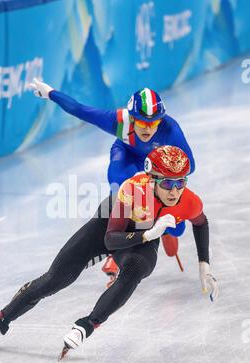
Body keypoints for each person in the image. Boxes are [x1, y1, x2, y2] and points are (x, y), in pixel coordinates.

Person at [0, 146, 218, 358]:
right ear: (152, 180)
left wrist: (204, 265)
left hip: (142, 241)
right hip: (108, 227)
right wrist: (148, 234)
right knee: (56, 278)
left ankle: (86, 325)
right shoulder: (132, 190)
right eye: (167, 183)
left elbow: (201, 223)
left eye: (181, 182)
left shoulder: (189, 200)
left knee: (136, 270)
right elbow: (111, 238)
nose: (175, 190)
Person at [30, 79, 195, 278]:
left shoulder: (170, 130)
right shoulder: (119, 122)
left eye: (154, 122)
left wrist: (157, 178)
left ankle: (165, 228)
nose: (148, 128)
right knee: (119, 185)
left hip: (159, 166)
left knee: (178, 229)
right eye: (142, 122)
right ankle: (117, 246)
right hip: (127, 154)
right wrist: (50, 93)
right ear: (132, 119)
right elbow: (81, 110)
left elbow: (190, 166)